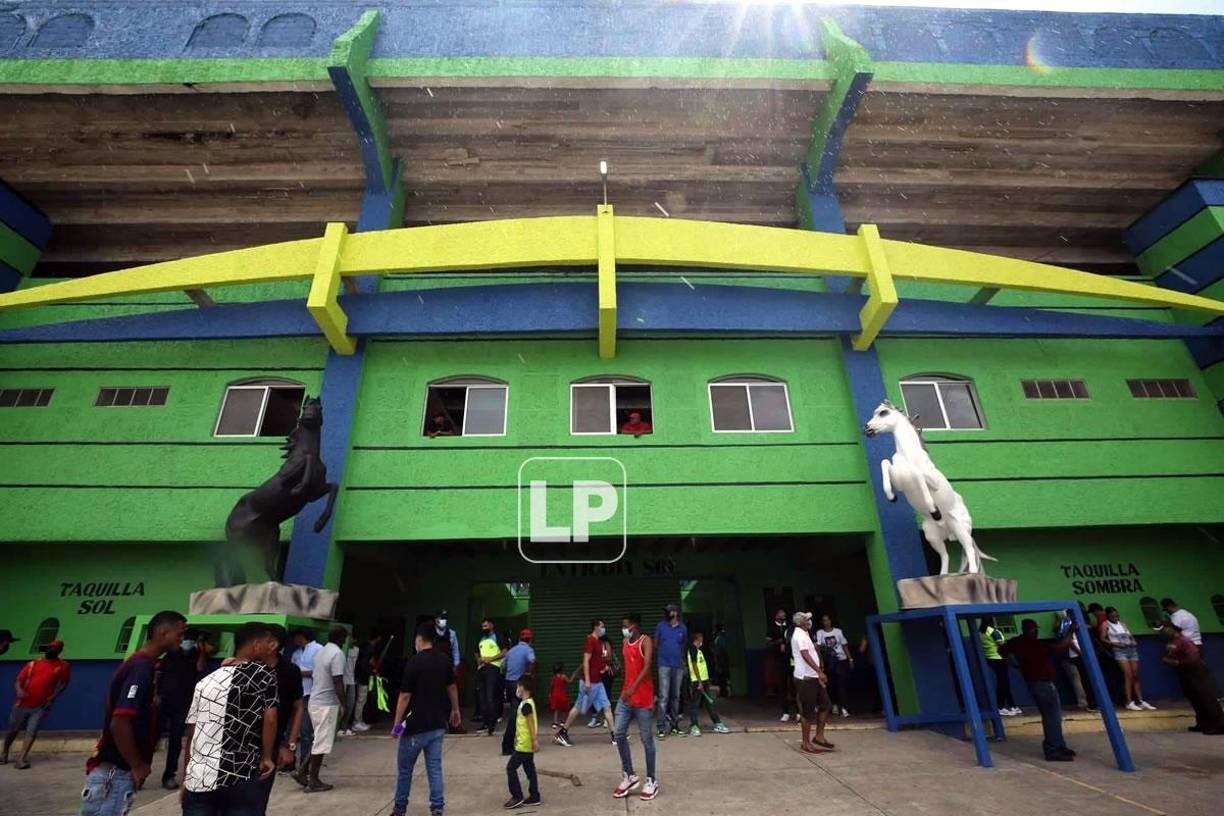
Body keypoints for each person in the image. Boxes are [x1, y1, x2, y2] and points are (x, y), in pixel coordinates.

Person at [80, 610, 186, 816]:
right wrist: (136, 765)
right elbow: (119, 722)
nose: (182, 640)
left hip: (117, 771)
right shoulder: (140, 668)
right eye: (179, 634)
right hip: (115, 772)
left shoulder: (146, 666)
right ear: (163, 633)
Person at [181, 621, 280, 814]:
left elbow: (192, 732)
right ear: (256, 645)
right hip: (239, 773)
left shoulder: (205, 681)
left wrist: (187, 775)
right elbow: (270, 718)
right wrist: (267, 756)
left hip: (200, 777)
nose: (271, 648)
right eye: (268, 643)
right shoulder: (264, 675)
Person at [391, 622, 462, 816]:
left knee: (405, 770)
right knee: (434, 769)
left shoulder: (414, 662)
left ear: (419, 640)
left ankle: (399, 810)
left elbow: (405, 696)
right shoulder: (444, 660)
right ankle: (437, 808)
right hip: (438, 725)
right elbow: (452, 687)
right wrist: (455, 710)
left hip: (414, 727)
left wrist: (397, 726)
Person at [1001, 619, 1077, 761]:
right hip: (1042, 683)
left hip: (1035, 682)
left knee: (1053, 716)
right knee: (1052, 717)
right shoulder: (1034, 645)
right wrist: (1071, 631)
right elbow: (1061, 646)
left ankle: (1059, 745)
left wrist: (1014, 663)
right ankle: (1053, 748)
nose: (1035, 632)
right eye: (1033, 629)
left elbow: (1003, 650)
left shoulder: (1017, 642)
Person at [293, 625, 348, 792]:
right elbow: (338, 681)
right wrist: (344, 705)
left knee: (318, 740)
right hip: (326, 703)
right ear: (342, 638)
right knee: (321, 743)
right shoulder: (337, 654)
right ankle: (313, 780)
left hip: (314, 700)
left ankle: (302, 772)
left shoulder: (322, 651)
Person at [3, 638, 71, 769]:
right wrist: (19, 691)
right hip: (22, 704)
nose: (52, 650)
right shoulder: (33, 664)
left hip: (41, 705)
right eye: (50, 647)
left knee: (32, 731)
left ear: (60, 651)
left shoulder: (63, 666)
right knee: (13, 730)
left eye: (55, 648)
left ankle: (21, 759)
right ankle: (5, 752)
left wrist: (53, 696)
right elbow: (18, 680)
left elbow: (63, 683)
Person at [613, 614, 659, 801]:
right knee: (619, 734)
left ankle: (651, 780)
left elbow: (647, 666)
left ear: (634, 626)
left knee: (646, 739)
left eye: (625, 625)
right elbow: (628, 668)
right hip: (626, 698)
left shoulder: (645, 640)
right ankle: (630, 776)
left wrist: (633, 688)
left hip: (643, 698)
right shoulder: (625, 642)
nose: (623, 628)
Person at [157, 629, 208, 788]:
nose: (188, 643)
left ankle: (169, 775)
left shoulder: (195, 655)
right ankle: (138, 771)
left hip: (183, 704)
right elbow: (158, 674)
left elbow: (200, 668)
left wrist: (202, 651)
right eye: (186, 639)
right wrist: (155, 695)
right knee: (151, 736)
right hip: (164, 700)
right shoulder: (171, 654)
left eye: (191, 640)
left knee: (176, 740)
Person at [554, 619, 616, 747]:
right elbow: (586, 661)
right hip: (590, 683)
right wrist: (587, 680)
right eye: (602, 626)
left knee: (607, 707)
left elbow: (596, 661)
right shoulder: (590, 641)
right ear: (595, 627)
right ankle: (562, 732)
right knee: (577, 707)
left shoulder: (598, 642)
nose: (604, 628)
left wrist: (603, 667)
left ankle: (615, 735)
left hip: (598, 682)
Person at [261, 625, 303, 807]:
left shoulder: (290, 671)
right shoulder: (245, 667)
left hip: (273, 744)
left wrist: (290, 746)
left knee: (260, 799)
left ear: (273, 645)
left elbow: (299, 708)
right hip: (242, 744)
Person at [1161, 623, 1223, 734]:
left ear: (1173, 629)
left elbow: (1193, 658)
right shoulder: (1171, 642)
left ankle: (1219, 725)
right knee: (1195, 698)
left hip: (1196, 672)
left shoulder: (1185, 641)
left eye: (1165, 628)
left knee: (1207, 698)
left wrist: (1177, 662)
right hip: (1184, 672)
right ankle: (1203, 723)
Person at [791, 612, 833, 754]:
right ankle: (805, 743)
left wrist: (818, 672)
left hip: (812, 676)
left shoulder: (805, 634)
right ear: (802, 622)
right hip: (806, 678)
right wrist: (819, 672)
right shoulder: (800, 635)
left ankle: (819, 736)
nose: (810, 621)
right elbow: (805, 655)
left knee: (826, 705)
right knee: (807, 712)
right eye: (807, 619)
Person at [1100, 607, 1156, 711]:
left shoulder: (1123, 624)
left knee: (1135, 675)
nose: (1115, 618)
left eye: (1117, 616)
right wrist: (1115, 643)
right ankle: (1129, 701)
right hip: (1119, 650)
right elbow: (1102, 639)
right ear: (1108, 616)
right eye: (1112, 616)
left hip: (1131, 649)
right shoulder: (1105, 625)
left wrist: (1134, 641)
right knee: (1128, 675)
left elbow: (1130, 636)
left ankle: (1141, 700)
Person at [504, 675, 542, 809]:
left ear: (523, 688)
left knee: (510, 768)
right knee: (530, 770)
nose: (516, 689)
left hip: (524, 745)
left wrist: (534, 740)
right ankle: (535, 796)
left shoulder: (526, 705)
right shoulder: (527, 703)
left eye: (518, 686)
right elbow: (523, 725)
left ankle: (517, 796)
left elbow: (531, 724)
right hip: (525, 743)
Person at [685, 631, 729, 735]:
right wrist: (699, 682)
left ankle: (717, 723)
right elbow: (694, 666)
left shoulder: (698, 650)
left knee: (709, 703)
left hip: (704, 680)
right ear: (697, 639)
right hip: (697, 681)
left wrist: (705, 681)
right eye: (701, 639)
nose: (702, 641)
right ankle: (694, 726)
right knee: (695, 704)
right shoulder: (692, 650)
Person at [653, 603, 688, 738]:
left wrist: (683, 662)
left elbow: (683, 645)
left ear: (675, 613)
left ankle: (674, 725)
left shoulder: (682, 628)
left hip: (677, 665)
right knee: (663, 696)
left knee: (676, 696)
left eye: (669, 611)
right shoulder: (661, 626)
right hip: (664, 665)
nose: (667, 613)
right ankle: (661, 727)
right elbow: (656, 643)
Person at [500, 630, 536, 756]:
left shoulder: (511, 651)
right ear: (530, 640)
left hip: (509, 684)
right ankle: (507, 745)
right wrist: (529, 674)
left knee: (517, 713)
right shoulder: (528, 650)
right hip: (519, 685)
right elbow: (532, 661)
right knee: (517, 715)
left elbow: (502, 666)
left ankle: (518, 742)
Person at [289, 629, 322, 769]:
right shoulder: (296, 653)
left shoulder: (318, 649)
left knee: (306, 730)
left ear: (301, 636)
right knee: (292, 729)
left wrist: (299, 673)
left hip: (310, 693)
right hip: (296, 693)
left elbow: (320, 671)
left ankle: (304, 764)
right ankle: (290, 760)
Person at [1053, 611, 1096, 712]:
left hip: (1075, 655)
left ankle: (1087, 703)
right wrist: (1081, 653)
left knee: (1083, 679)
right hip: (1073, 656)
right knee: (1080, 679)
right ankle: (1086, 703)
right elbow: (1068, 641)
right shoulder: (1066, 624)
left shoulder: (1076, 623)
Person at [979, 617, 1019, 716]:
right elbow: (1001, 643)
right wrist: (1007, 642)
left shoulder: (981, 631)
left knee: (1003, 682)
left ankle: (1011, 705)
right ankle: (1002, 706)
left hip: (990, 657)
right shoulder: (993, 631)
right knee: (1003, 683)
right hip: (999, 658)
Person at [816, 615, 854, 718]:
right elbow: (818, 648)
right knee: (830, 684)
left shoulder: (838, 631)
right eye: (824, 620)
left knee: (841, 684)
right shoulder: (820, 633)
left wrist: (850, 659)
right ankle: (834, 705)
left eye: (828, 620)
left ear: (831, 621)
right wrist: (820, 662)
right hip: (828, 662)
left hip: (840, 660)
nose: (826, 622)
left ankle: (844, 708)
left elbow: (844, 645)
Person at [476, 618, 508, 736]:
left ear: (491, 625)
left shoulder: (497, 637)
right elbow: (477, 653)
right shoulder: (481, 639)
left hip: (493, 668)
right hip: (481, 669)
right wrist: (478, 660)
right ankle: (485, 722)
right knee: (482, 698)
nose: (484, 628)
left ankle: (492, 724)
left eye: (486, 626)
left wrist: (490, 659)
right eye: (482, 626)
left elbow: (504, 652)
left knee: (490, 697)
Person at [765, 608, 794, 722]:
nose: (783, 615)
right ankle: (785, 712)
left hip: (791, 659)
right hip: (778, 659)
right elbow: (768, 641)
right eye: (780, 613)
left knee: (795, 684)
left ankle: (797, 712)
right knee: (782, 686)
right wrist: (779, 642)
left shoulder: (790, 627)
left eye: (784, 613)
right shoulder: (771, 627)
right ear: (776, 615)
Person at [352, 632, 381, 732]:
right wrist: (371, 672)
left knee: (360, 700)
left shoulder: (363, 647)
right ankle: (357, 722)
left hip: (359, 676)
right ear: (378, 638)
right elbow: (364, 664)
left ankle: (359, 720)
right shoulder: (369, 649)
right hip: (363, 678)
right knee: (361, 700)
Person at [339, 636, 360, 737]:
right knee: (341, 705)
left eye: (351, 638)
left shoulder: (356, 650)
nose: (351, 640)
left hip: (351, 680)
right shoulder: (340, 651)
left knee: (350, 704)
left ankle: (345, 727)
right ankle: (339, 728)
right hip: (342, 681)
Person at [548, 664, 575, 729]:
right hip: (562, 694)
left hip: (555, 694)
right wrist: (573, 675)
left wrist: (550, 693)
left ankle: (555, 722)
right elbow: (569, 681)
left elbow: (551, 686)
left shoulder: (554, 677)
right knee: (564, 708)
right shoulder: (563, 676)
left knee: (556, 709)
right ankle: (562, 721)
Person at [712, 624, 731, 698]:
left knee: (721, 676)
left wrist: (717, 660)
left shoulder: (718, 638)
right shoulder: (725, 637)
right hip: (725, 657)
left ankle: (723, 692)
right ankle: (724, 691)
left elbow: (718, 651)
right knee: (724, 676)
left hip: (721, 658)